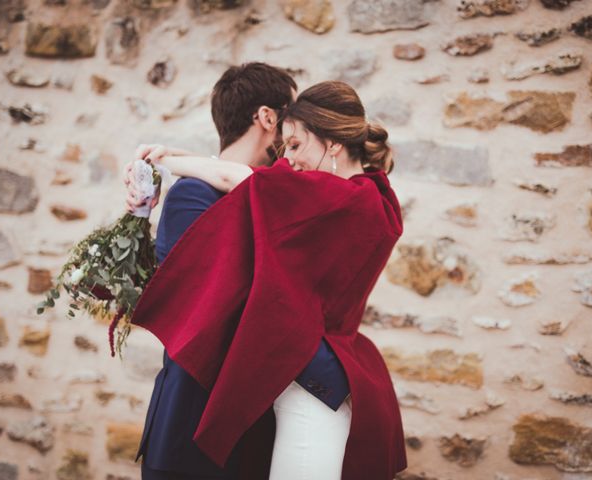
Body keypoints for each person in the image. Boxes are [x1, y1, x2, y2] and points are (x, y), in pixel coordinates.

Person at [125, 80, 408, 480]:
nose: (287, 160)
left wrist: (166, 161)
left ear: (332, 144)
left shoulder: (341, 198)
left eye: (295, 146)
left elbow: (244, 181)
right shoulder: (370, 196)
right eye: (284, 146)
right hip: (302, 386)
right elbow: (253, 180)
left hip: (310, 390)